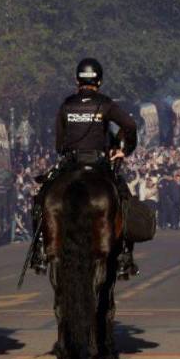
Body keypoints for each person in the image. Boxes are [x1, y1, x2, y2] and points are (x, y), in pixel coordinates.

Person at [27, 58, 140, 280]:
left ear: (76, 80)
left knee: (42, 198)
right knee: (123, 199)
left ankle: (40, 248)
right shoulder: (106, 104)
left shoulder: (67, 105)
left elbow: (59, 144)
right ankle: (125, 254)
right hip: (98, 163)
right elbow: (130, 125)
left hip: (71, 163)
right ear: (100, 81)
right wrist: (123, 151)